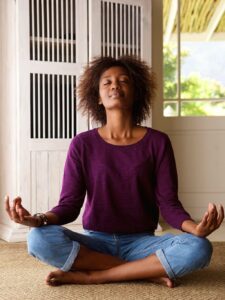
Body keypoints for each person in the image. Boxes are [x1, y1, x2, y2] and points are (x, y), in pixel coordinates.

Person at [5, 56, 224, 288]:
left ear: (136, 92)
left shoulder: (158, 142)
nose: (115, 85)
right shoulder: (82, 144)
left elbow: (169, 205)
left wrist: (196, 228)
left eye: (124, 81)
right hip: (96, 242)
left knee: (199, 246)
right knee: (38, 238)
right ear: (97, 97)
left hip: (142, 242)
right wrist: (37, 219)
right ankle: (145, 271)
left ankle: (95, 275)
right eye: (107, 82)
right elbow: (68, 206)